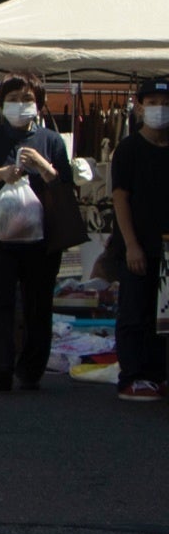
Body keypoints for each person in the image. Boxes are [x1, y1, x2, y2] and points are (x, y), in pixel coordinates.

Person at [0, 74, 72, 393]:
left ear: (38, 104)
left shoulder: (51, 141)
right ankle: (1, 365)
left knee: (38, 302)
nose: (20, 105)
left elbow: (65, 187)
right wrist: (1, 174)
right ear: (1, 104)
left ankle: (32, 367)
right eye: (13, 99)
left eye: (26, 99)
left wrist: (43, 166)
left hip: (42, 236)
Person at [110, 77, 169, 402]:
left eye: (165, 103)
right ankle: (131, 376)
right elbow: (120, 197)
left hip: (167, 249)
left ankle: (157, 374)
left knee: (163, 317)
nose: (160, 109)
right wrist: (131, 243)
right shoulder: (129, 149)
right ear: (140, 106)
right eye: (154, 103)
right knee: (135, 311)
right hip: (137, 245)